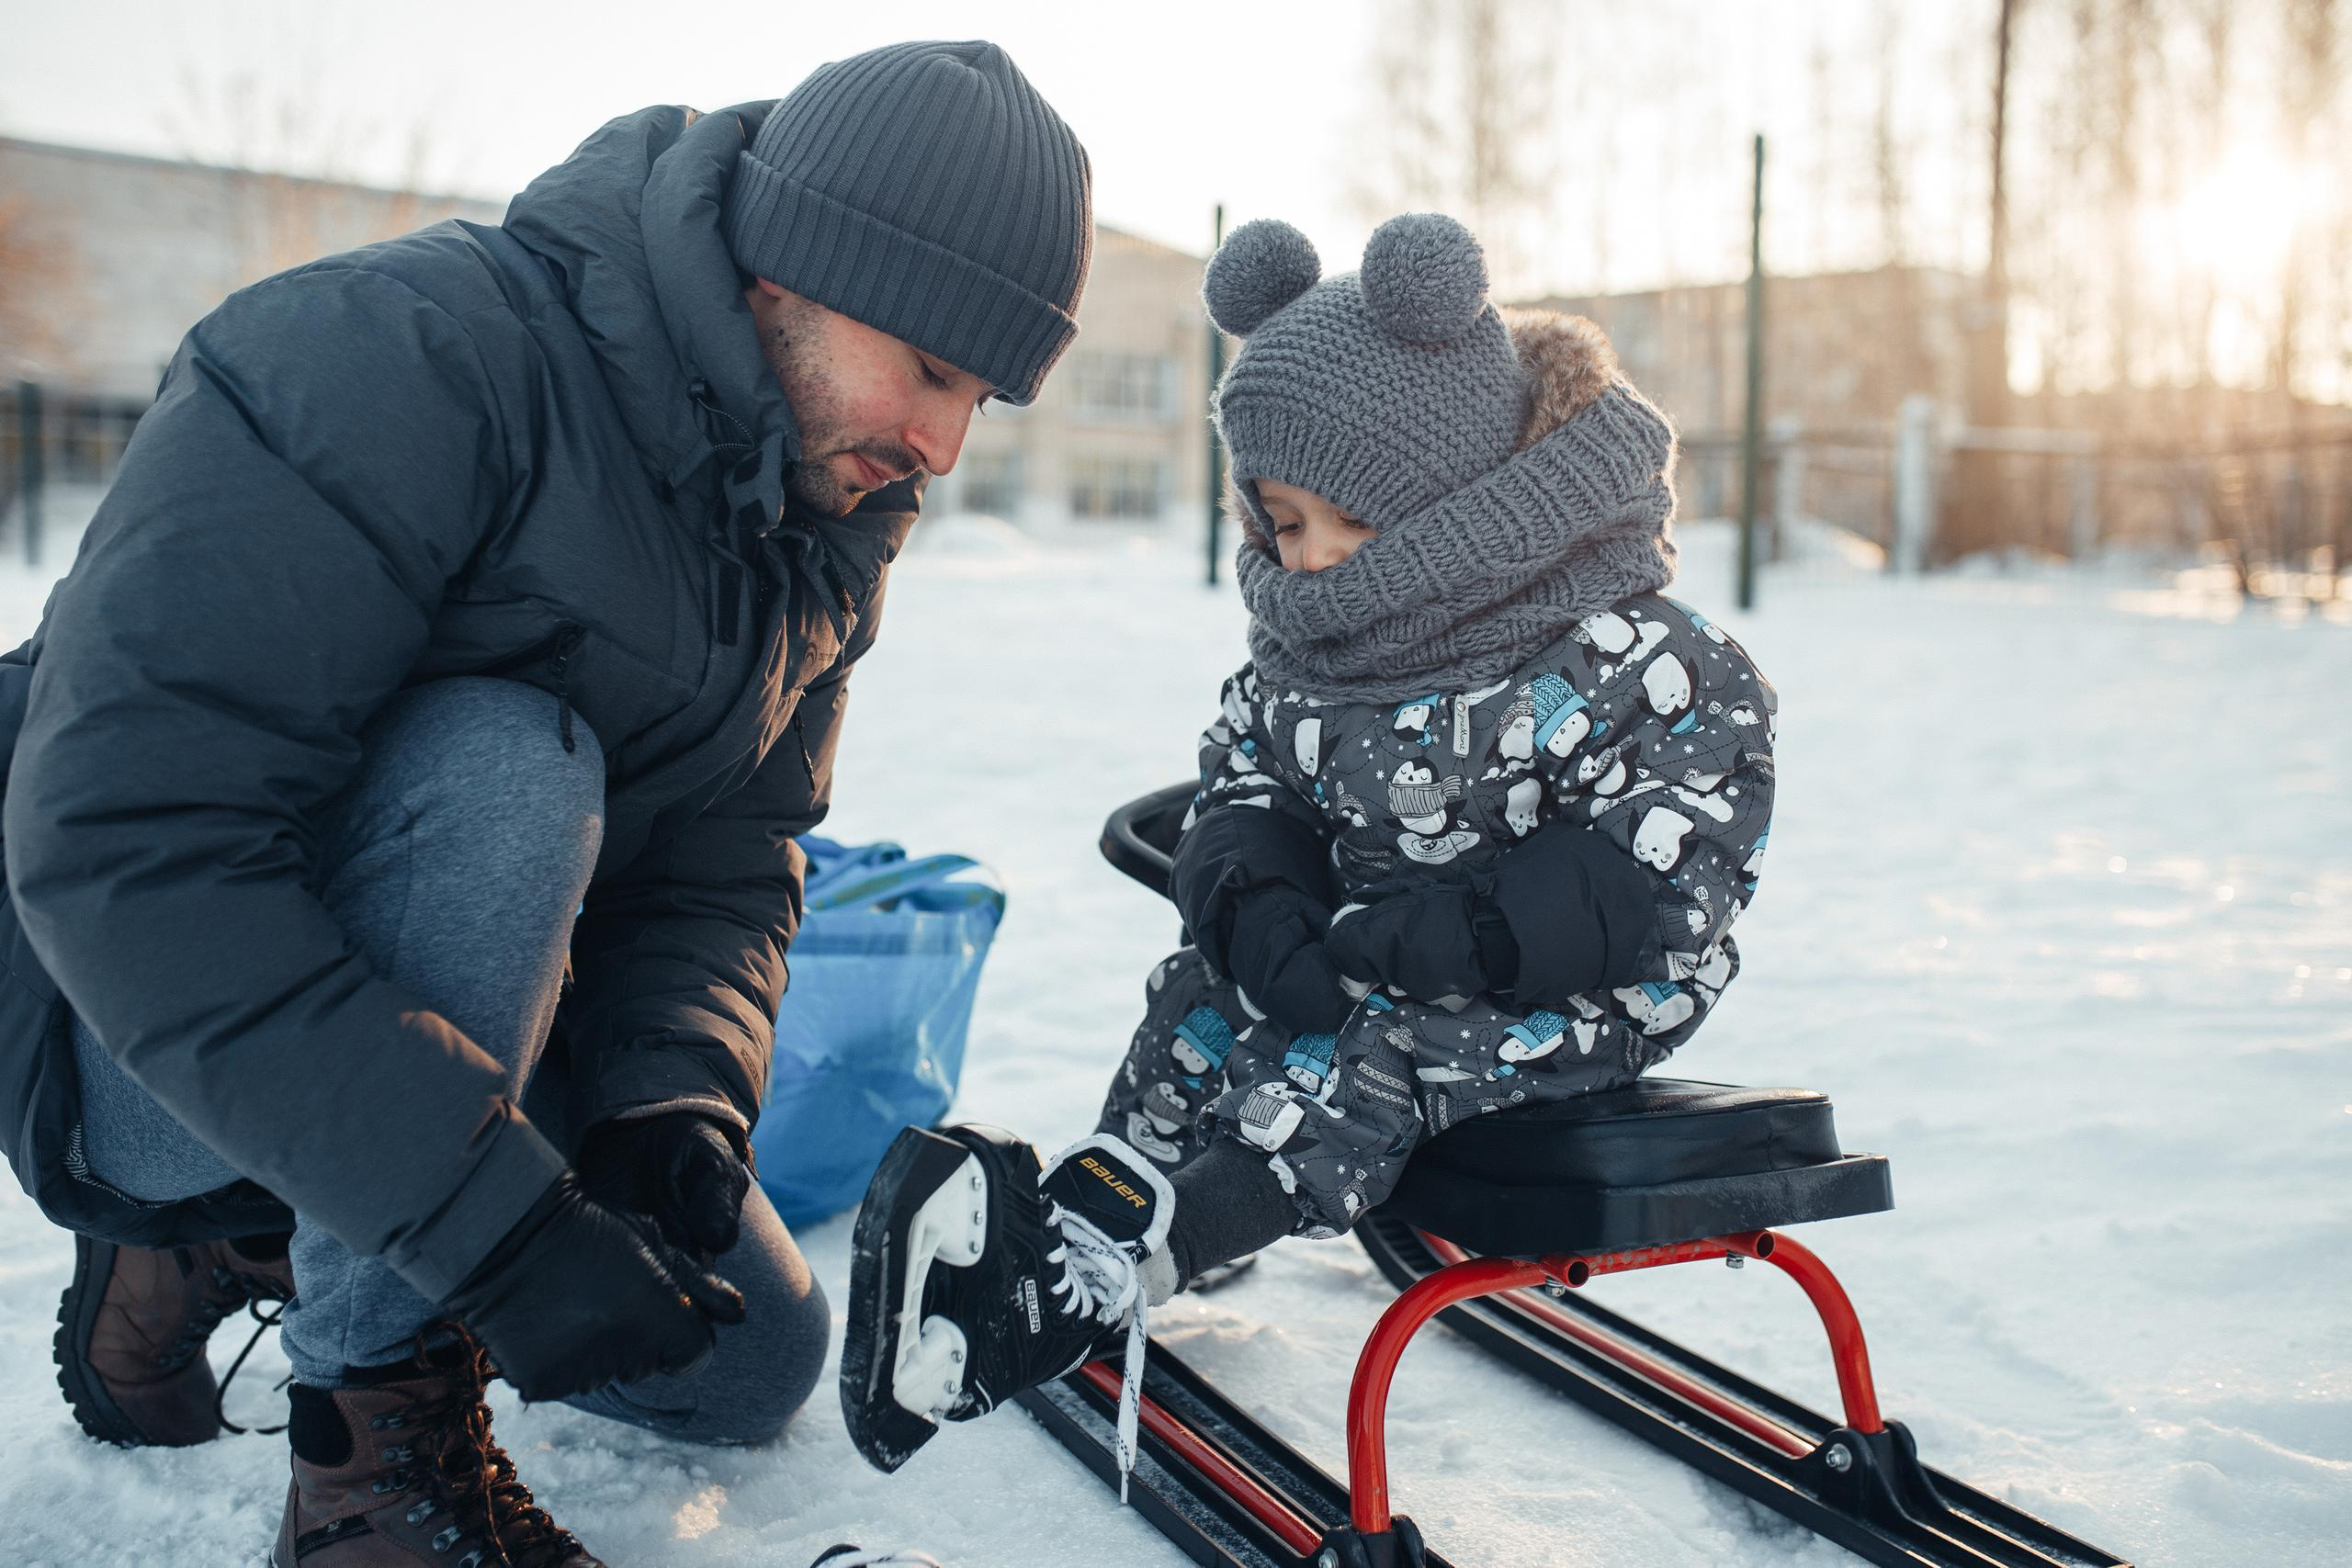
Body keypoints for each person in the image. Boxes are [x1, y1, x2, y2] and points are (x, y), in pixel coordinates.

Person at [0, 39, 1091, 1568]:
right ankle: (367, 1458)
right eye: (929, 367)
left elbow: (735, 855)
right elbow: (128, 852)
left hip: (464, 1016)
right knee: (515, 764)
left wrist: (673, 1102)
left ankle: (248, 1239)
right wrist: (496, 1231)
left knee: (745, 1362)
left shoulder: (824, 514)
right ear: (791, 266)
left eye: (982, 396)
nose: (944, 444)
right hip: (129, 1033)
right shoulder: (391, 356)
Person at [841, 214, 1776, 1485]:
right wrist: (1253, 889)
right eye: (1280, 523)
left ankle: (1170, 1237)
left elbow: (1680, 863)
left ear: (1451, 503)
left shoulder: (1638, 657)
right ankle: (1099, 1224)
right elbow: (1246, 772)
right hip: (1368, 936)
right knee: (1202, 1002)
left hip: (1580, 983)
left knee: (1371, 1053)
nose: (1307, 563)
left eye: (1345, 525)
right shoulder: (1310, 651)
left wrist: (1484, 932)